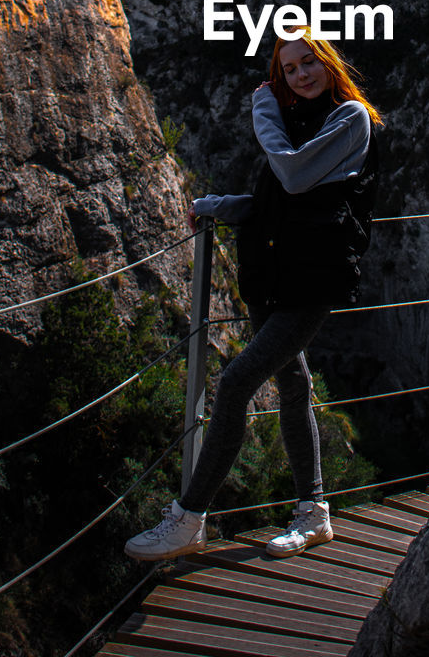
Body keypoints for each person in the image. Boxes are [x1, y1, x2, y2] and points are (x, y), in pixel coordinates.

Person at [124, 29, 381, 562]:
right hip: (271, 273)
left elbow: (290, 175)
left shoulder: (349, 118)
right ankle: (314, 515)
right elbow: (283, 201)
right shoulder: (299, 121)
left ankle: (188, 518)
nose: (302, 74)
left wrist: (263, 106)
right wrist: (222, 203)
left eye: (309, 62)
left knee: (237, 381)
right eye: (289, 69)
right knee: (293, 385)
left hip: (312, 281)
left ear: (329, 63)